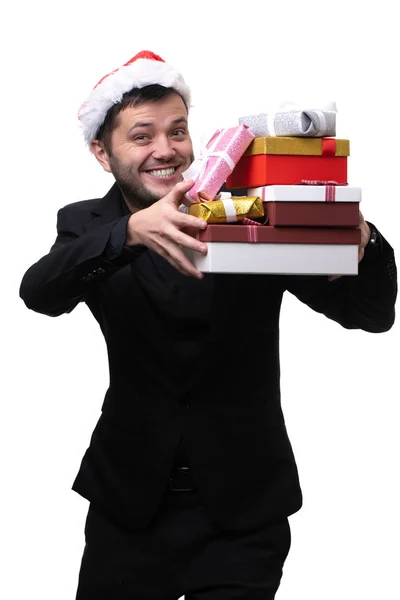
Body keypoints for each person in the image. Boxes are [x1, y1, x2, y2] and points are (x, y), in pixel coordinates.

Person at [19, 50, 397, 600]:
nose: (165, 150)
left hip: (243, 513)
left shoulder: (251, 214)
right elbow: (40, 294)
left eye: (177, 131)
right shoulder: (86, 225)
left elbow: (370, 314)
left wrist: (361, 242)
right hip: (129, 508)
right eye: (142, 136)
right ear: (103, 153)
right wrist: (130, 232)